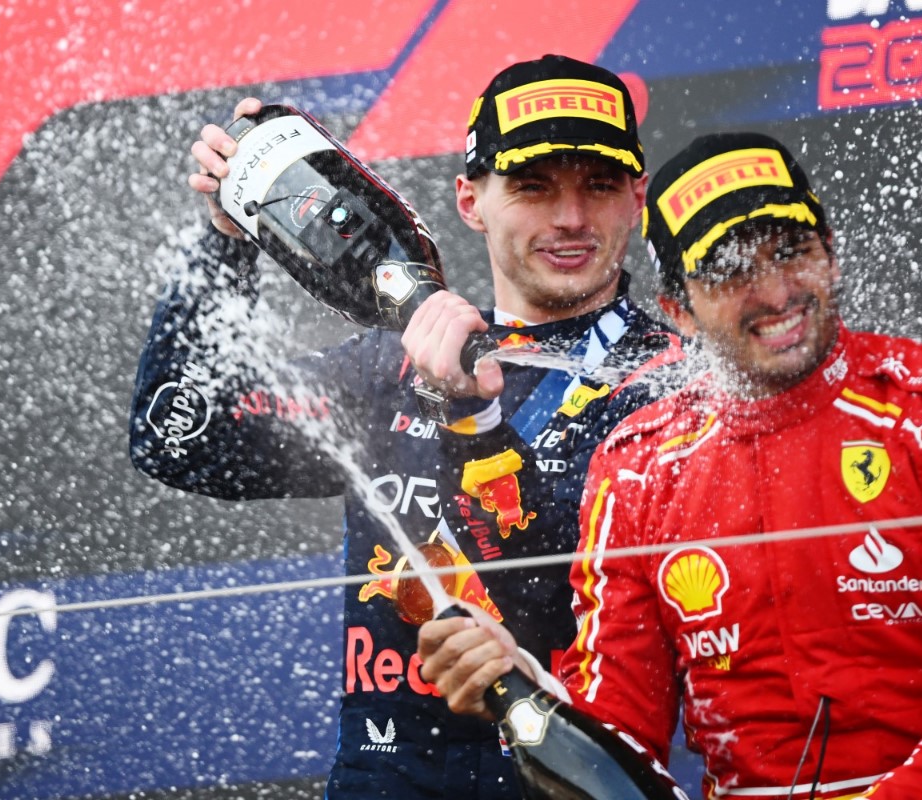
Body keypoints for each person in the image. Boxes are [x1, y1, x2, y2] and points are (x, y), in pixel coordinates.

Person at [417, 132, 922, 799]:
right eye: (730, 271)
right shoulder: (639, 466)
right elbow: (619, 736)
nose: (778, 292)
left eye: (793, 253)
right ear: (678, 310)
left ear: (831, 255)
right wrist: (524, 689)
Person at [129, 54, 681, 798]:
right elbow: (175, 437)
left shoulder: (677, 383)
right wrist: (227, 242)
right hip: (384, 776)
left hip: (568, 777)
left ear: (637, 197)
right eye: (533, 187)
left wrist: (472, 415)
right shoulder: (390, 364)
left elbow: (550, 600)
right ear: (468, 199)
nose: (571, 218)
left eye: (600, 186)